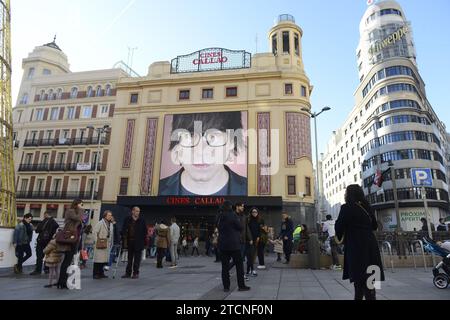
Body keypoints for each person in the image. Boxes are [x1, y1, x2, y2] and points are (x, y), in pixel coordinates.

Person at [158, 112, 247, 196]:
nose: (200, 151)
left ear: (231, 142)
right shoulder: (158, 189)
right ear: (177, 143)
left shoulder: (248, 189)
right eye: (190, 136)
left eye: (213, 137)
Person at [335, 184, 385, 300]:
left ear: (349, 194)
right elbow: (374, 226)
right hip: (371, 246)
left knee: (359, 281)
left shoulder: (346, 208)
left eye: (346, 192)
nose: (344, 194)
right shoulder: (367, 207)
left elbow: (339, 227)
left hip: (356, 246)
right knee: (371, 281)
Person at [217, 201, 250, 292]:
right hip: (234, 244)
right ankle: (241, 286)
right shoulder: (232, 215)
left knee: (225, 267)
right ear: (230, 207)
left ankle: (226, 287)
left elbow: (218, 227)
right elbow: (240, 227)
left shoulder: (219, 216)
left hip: (223, 245)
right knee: (239, 266)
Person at [56, 199, 83, 289]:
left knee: (68, 261)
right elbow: (78, 218)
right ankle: (62, 281)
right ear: (76, 204)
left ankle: (63, 281)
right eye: (80, 204)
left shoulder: (76, 212)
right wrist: (81, 210)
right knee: (66, 261)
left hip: (74, 239)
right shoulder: (71, 211)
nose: (82, 206)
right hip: (69, 238)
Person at [121, 207, 147, 279]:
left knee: (137, 259)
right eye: (136, 211)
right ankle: (128, 273)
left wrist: (144, 243)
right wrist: (123, 238)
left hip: (138, 242)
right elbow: (123, 229)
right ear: (132, 211)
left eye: (138, 211)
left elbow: (145, 232)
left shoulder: (142, 220)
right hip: (130, 241)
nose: (137, 213)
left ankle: (135, 273)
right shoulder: (127, 219)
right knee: (129, 258)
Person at [31, 211, 59, 276]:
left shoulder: (44, 221)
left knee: (39, 256)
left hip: (41, 241)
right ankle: (47, 269)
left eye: (44, 215)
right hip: (49, 242)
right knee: (48, 256)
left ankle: (38, 270)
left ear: (46, 214)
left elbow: (37, 230)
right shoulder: (55, 223)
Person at [93, 211, 113, 279]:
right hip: (100, 243)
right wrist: (97, 241)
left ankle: (101, 273)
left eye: (111, 215)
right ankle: (95, 274)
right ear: (105, 216)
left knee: (104, 260)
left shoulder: (110, 224)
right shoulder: (100, 223)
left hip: (106, 243)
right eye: (109, 215)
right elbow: (95, 232)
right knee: (98, 260)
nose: (110, 216)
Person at [247, 207, 261, 276]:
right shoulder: (248, 220)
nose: (254, 213)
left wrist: (258, 237)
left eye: (255, 212)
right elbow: (247, 230)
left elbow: (259, 230)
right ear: (251, 213)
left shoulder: (258, 220)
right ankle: (251, 270)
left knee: (251, 256)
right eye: (253, 212)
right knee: (250, 256)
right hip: (249, 240)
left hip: (255, 240)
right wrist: (250, 239)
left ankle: (249, 270)